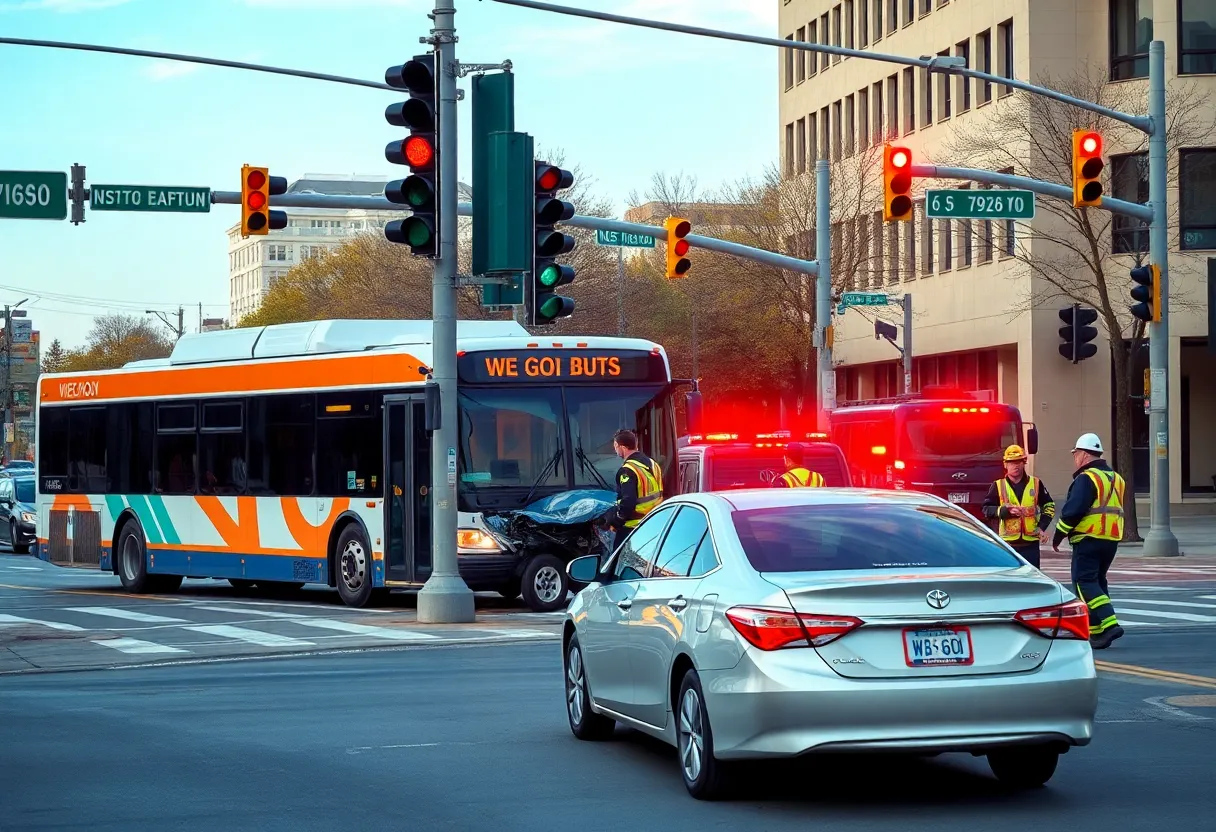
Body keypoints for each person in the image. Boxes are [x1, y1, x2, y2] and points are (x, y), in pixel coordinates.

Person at [1052, 433, 1127, 650]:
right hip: (1110, 538)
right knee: (1097, 581)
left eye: (1076, 454)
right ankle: (1097, 633)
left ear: (1084, 454)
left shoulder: (1087, 478)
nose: (1075, 458)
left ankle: (1110, 623)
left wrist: (1059, 534)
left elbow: (1073, 510)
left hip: (1089, 537)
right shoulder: (1116, 478)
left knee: (1084, 582)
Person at [981, 444, 1056, 568]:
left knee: (1032, 582)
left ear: (1024, 462)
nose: (1015, 465)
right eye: (1011, 462)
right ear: (1005, 465)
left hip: (1030, 544)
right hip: (1008, 544)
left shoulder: (1036, 483)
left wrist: (1042, 527)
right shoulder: (998, 485)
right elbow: (986, 509)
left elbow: (1049, 505)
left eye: (1019, 462)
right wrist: (1004, 511)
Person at [604, 429, 664, 552]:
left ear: (622, 447)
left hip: (632, 527)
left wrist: (616, 522)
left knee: (616, 562)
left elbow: (628, 502)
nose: (616, 450)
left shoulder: (627, 470)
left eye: (616, 446)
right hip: (654, 523)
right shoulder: (653, 464)